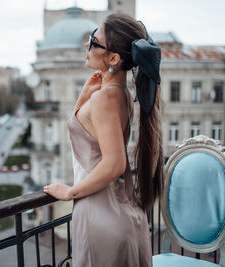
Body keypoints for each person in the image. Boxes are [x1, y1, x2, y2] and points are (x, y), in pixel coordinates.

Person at [43, 13, 163, 267]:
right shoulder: (121, 94)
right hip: (119, 212)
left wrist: (69, 192)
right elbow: (86, 138)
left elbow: (114, 163)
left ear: (114, 59)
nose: (87, 46)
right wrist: (83, 98)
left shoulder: (105, 99)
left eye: (94, 42)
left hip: (100, 214)